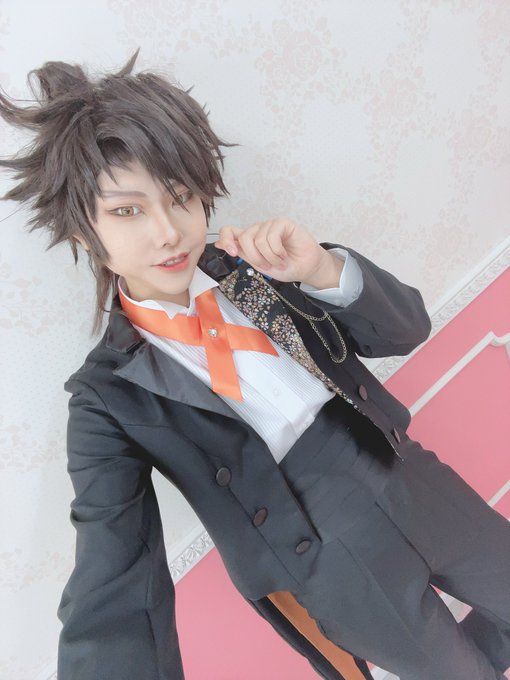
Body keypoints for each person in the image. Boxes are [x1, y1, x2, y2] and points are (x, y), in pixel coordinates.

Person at [1, 48, 509, 680]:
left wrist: (321, 268)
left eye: (180, 197)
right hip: (324, 560)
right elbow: (111, 570)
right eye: (128, 210)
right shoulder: (106, 395)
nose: (168, 232)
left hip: (405, 475)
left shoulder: (256, 267)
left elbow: (407, 328)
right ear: (84, 232)